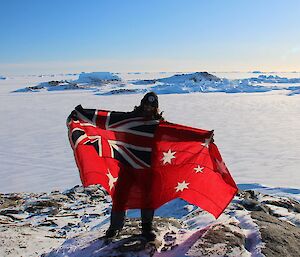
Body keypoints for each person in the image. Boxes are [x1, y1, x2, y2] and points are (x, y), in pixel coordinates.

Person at [105, 92, 163, 241]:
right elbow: (107, 118)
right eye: (147, 104)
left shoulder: (159, 124)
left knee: (147, 197)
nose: (148, 107)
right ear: (142, 103)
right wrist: (81, 114)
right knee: (120, 196)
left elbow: (178, 133)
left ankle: (147, 228)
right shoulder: (129, 119)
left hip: (147, 168)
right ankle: (115, 228)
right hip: (127, 166)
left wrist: (202, 137)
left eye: (152, 105)